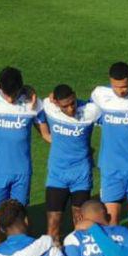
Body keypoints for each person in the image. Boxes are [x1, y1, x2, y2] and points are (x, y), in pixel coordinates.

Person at [0, 66, 46, 250]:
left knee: (21, 224)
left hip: (21, 174)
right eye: (6, 94)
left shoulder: (33, 103)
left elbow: (46, 135)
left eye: (14, 94)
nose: (10, 99)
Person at [91, 62, 128, 231]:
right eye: (116, 86)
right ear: (110, 81)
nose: (121, 90)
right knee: (111, 219)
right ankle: (115, 255)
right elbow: (82, 108)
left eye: (125, 86)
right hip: (111, 166)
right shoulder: (100, 95)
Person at [41, 84, 101, 243]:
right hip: (56, 176)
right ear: (56, 103)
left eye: (72, 103)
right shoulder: (49, 106)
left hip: (81, 176)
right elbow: (30, 98)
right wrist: (45, 134)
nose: (70, 109)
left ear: (75, 96)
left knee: (80, 222)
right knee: (53, 224)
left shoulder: (91, 111)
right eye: (64, 106)